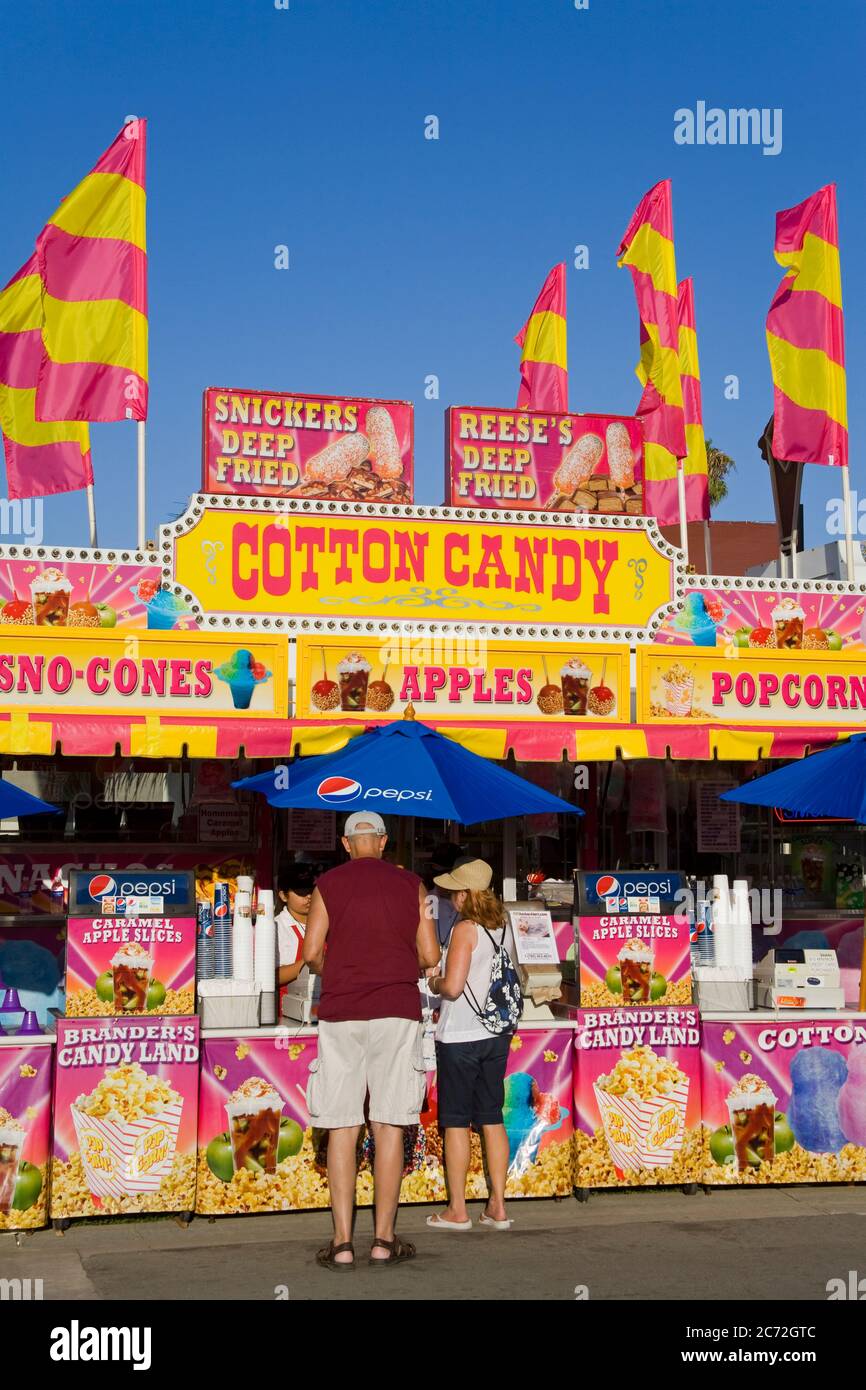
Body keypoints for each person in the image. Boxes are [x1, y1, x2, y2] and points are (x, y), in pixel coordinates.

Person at [303, 810, 440, 1271]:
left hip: (341, 1013)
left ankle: (342, 1244)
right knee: (389, 1125)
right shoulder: (412, 886)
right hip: (397, 1013)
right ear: (382, 842)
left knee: (342, 1125)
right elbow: (429, 953)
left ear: (346, 844)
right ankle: (383, 1240)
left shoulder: (327, 886)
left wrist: (339, 968)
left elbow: (310, 953)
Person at [426, 858, 516, 1232]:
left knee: (456, 1123)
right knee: (492, 1118)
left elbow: (453, 986)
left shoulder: (466, 929)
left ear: (464, 894)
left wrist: (433, 981)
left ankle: (458, 1210)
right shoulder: (502, 926)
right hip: (496, 1035)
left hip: (461, 1036)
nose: (449, 899)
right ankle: (497, 1205)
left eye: (452, 892)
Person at [276, 865, 316, 988]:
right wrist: (311, 961)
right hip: (290, 1004)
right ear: (283, 895)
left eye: (311, 890)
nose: (309, 896)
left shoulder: (328, 923)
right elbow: (271, 977)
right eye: (301, 892)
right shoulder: (277, 928)